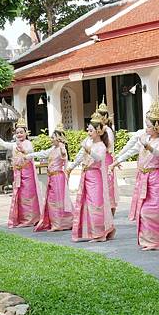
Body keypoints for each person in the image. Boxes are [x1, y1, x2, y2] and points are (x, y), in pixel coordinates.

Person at [110, 102, 159, 251]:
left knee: (152, 210)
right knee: (142, 210)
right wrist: (116, 162)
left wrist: (148, 146)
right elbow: (131, 151)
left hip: (154, 180)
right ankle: (149, 240)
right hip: (143, 179)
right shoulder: (143, 141)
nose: (146, 128)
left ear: (156, 127)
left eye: (148, 125)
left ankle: (156, 240)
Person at [0, 120, 42, 228]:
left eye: (21, 132)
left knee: (28, 197)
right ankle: (22, 219)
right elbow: (4, 144)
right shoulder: (14, 145)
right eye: (17, 132)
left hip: (28, 175)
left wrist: (22, 149)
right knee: (20, 197)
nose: (19, 134)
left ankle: (31, 219)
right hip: (18, 174)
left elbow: (30, 153)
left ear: (26, 133)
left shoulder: (28, 143)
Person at [66, 111, 115, 242]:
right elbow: (80, 155)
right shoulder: (88, 142)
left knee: (96, 204)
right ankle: (91, 232)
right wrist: (71, 167)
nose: (88, 133)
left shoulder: (101, 146)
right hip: (86, 175)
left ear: (98, 131)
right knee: (86, 204)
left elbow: (99, 158)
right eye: (88, 130)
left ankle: (99, 233)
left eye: (91, 130)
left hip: (95, 176)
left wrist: (89, 150)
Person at [24, 124, 73, 231]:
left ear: (59, 138)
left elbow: (65, 157)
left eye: (53, 137)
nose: (51, 139)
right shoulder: (52, 149)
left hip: (58, 178)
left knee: (57, 201)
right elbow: (42, 153)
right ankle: (57, 223)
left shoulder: (61, 148)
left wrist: (62, 146)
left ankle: (60, 224)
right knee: (52, 201)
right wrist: (28, 156)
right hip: (52, 178)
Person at [97, 97, 119, 215]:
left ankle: (110, 208)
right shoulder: (99, 130)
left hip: (107, 158)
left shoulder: (108, 130)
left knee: (108, 183)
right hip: (100, 159)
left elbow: (110, 147)